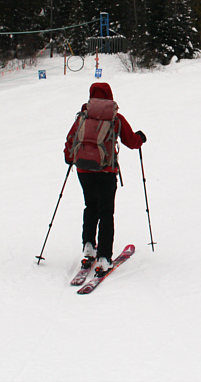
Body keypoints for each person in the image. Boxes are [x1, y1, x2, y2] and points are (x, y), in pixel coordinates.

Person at [64, 82, 146, 274]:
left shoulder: (83, 117)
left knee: (90, 206)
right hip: (106, 172)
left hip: (84, 171)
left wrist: (70, 159)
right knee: (106, 212)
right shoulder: (115, 119)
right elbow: (132, 142)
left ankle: (89, 246)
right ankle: (103, 258)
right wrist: (140, 138)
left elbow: (71, 140)